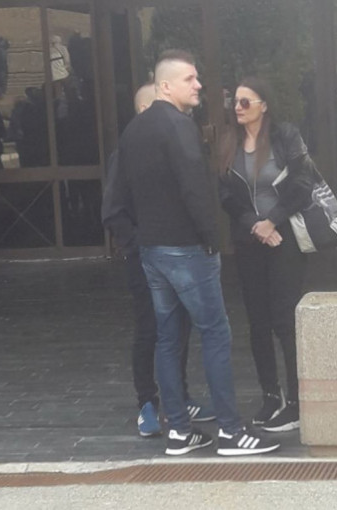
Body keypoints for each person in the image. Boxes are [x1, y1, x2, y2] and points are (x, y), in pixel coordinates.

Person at [117, 49, 279, 456]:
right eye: (190, 79)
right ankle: (230, 432)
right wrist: (212, 238)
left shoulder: (133, 131)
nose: (199, 85)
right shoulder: (179, 126)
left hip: (151, 250)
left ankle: (179, 431)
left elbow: (123, 192)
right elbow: (195, 188)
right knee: (215, 333)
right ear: (165, 85)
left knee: (168, 338)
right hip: (187, 249)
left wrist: (138, 240)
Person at [101, 82, 214, 437]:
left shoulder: (171, 148)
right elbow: (113, 209)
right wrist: (137, 246)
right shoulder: (126, 152)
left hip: (175, 250)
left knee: (178, 327)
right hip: (145, 255)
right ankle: (147, 403)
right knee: (150, 328)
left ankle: (178, 397)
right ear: (143, 111)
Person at [218, 77, 315, 432]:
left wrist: (272, 221)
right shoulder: (229, 142)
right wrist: (253, 224)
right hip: (249, 241)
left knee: (285, 318)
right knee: (257, 321)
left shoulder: (285, 136)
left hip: (284, 237)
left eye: (246, 101)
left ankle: (298, 401)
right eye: (235, 101)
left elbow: (303, 184)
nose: (238, 107)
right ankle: (271, 395)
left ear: (264, 105)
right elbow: (225, 195)